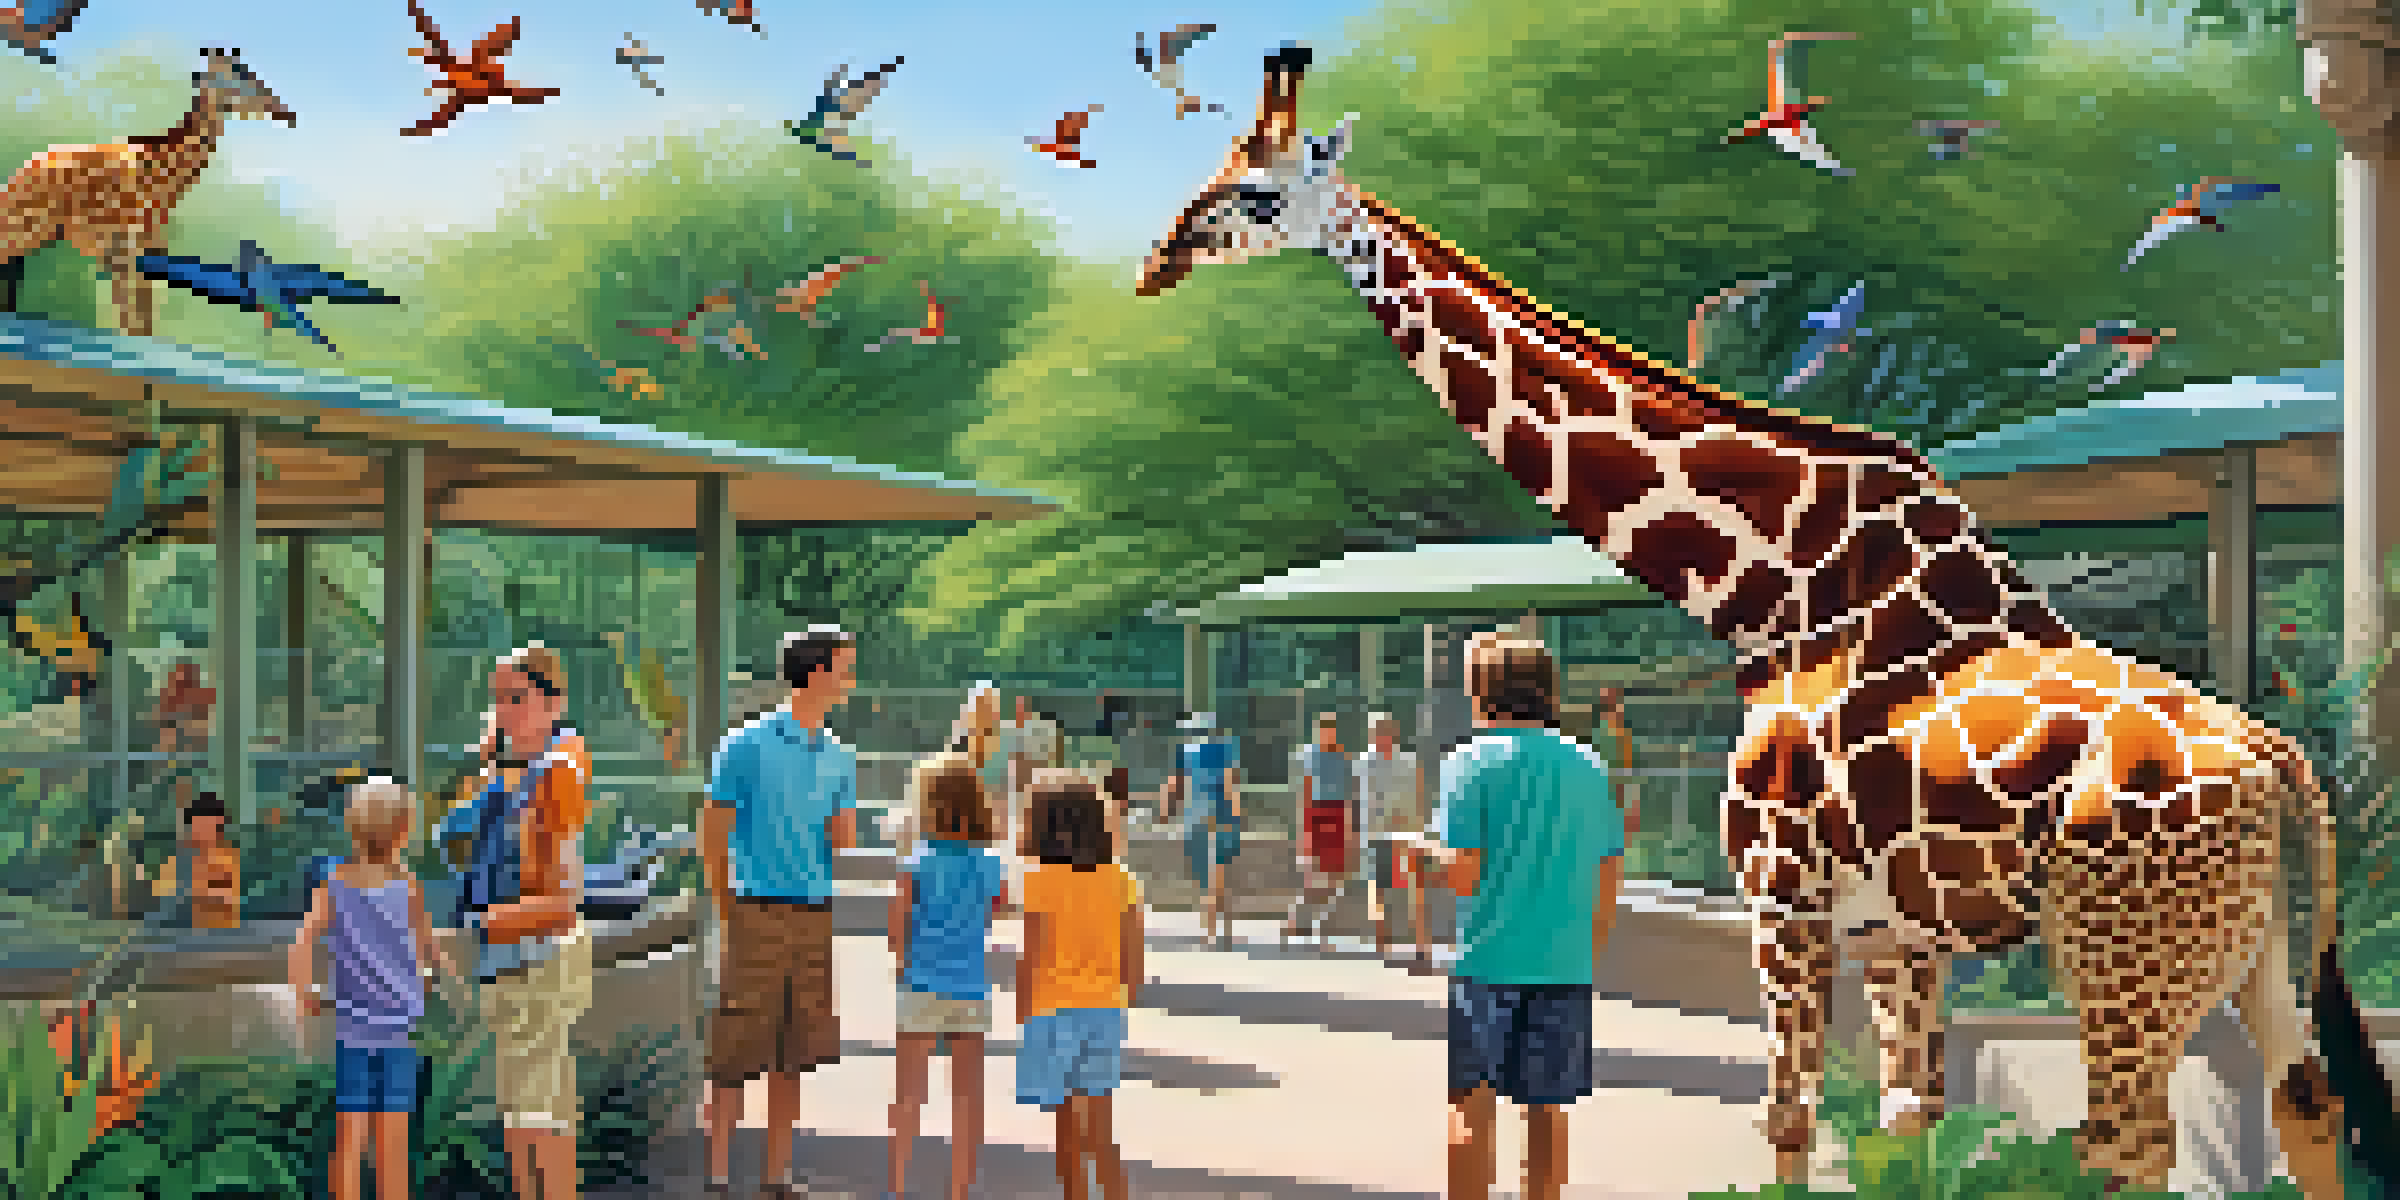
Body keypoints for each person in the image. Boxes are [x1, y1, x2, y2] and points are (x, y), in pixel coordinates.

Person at [1411, 633, 1624, 1200]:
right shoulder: (1589, 764)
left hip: (1487, 962)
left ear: (1485, 692)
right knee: (1547, 1115)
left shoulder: (1468, 762)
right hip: (1565, 964)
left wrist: (1423, 852)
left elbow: (1463, 874)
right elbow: (1609, 876)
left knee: (1470, 1110)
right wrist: (1586, 951)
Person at [702, 626, 862, 1196]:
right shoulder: (744, 746)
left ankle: (777, 1177)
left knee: (796, 1051)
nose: (848, 678)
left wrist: (839, 827)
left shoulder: (838, 756)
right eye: (843, 667)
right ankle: (718, 1176)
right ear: (817, 672)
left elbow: (836, 838)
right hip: (757, 911)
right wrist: (729, 913)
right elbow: (712, 835)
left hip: (815, 913)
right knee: (734, 1051)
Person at [454, 642, 595, 1200]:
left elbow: (562, 895)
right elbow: (456, 841)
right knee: (535, 1106)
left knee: (532, 1108)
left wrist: (488, 922)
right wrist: (488, 768)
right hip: (521, 951)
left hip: (534, 951)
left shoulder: (554, 773)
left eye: (517, 699)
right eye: (498, 700)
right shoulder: (518, 772)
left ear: (553, 703)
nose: (505, 713)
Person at [289, 778, 461, 1200]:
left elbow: (303, 941)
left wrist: (304, 994)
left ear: (354, 827)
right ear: (403, 830)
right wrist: (448, 986)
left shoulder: (337, 884)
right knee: (392, 1140)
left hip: (353, 1029)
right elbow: (430, 951)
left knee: (350, 1136)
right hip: (400, 1029)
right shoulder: (407, 886)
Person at [1016, 775, 1142, 1200]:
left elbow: (1030, 958)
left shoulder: (1040, 880)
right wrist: (1119, 998)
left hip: (1052, 1010)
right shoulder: (1121, 880)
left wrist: (1024, 1013)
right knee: (1101, 1128)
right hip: (1105, 1010)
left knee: (1067, 1130)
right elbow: (1134, 968)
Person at [889, 753, 1008, 1200]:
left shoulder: (916, 860)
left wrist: (902, 964)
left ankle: (897, 1187)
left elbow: (896, 924)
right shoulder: (990, 862)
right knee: (967, 1097)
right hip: (971, 985)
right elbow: (994, 911)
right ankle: (960, 1189)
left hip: (921, 982)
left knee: (907, 1094)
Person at [1356, 712, 1433, 970]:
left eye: (1384, 730)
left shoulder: (1408, 762)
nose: (1380, 735)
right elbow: (1363, 800)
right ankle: (1382, 945)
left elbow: (1420, 793)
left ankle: (1422, 946)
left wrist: (1419, 827)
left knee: (1416, 892)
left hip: (1408, 835)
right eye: (1376, 731)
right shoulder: (1364, 762)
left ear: (1393, 733)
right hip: (1377, 835)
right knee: (1377, 892)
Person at [1165, 712, 1241, 950]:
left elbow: (1174, 784)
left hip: (1197, 820)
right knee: (1218, 875)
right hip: (1218, 819)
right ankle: (1220, 928)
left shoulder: (1186, 752)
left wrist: (1166, 812)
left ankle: (1212, 930)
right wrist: (1236, 815)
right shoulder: (1224, 750)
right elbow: (1230, 784)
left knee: (1208, 879)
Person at [1284, 712, 1355, 950]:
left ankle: (1325, 921)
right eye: (1323, 727)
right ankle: (1298, 920)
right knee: (1311, 871)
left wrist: (1349, 827)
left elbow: (1349, 795)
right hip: (1315, 812)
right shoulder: (1308, 755)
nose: (1327, 731)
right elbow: (1304, 790)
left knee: (1335, 874)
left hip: (1337, 814)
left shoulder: (1344, 757)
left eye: (1331, 727)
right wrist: (1305, 826)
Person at [171, 789, 242, 930]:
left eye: (202, 825)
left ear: (218, 823)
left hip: (217, 933)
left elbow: (218, 902)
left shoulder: (224, 859)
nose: (195, 832)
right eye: (193, 826)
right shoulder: (186, 858)